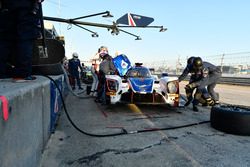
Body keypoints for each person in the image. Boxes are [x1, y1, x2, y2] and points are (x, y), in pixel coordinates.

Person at [0, 0, 43, 81]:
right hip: (28, 6)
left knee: (5, 38)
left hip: (7, 6)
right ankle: (22, 74)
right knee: (26, 36)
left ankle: (1, 72)